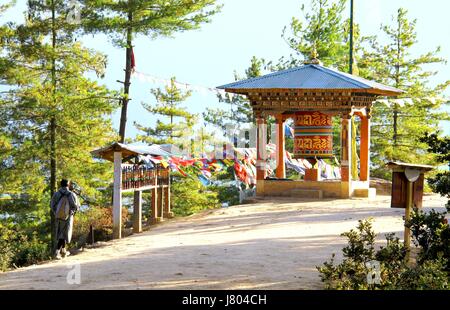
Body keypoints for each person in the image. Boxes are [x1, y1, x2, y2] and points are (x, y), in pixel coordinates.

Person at [50, 179, 80, 259]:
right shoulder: (72, 194)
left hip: (58, 217)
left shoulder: (56, 194)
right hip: (68, 217)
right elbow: (77, 207)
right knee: (63, 234)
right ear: (68, 185)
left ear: (61, 185)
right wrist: (71, 213)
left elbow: (52, 206)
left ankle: (63, 251)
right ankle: (56, 253)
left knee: (61, 233)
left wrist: (56, 213)